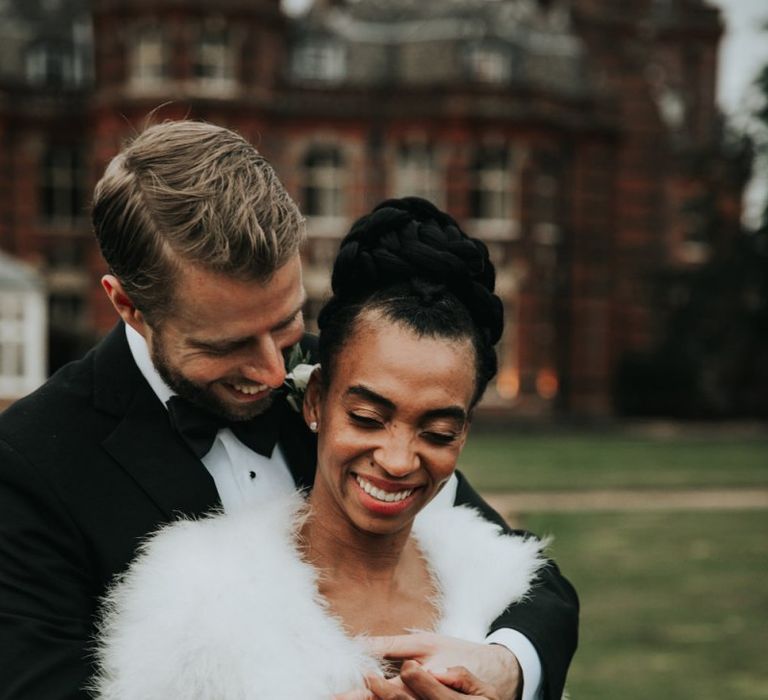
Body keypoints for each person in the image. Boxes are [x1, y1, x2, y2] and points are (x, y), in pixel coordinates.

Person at [0, 121, 577, 700]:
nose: (275, 374)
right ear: (127, 305)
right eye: (224, 345)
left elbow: (523, 575)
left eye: (284, 323)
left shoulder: (349, 387)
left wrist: (508, 666)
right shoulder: (29, 463)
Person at [90, 196, 551, 699]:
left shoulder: (497, 585)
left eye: (438, 433)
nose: (398, 461)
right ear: (314, 401)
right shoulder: (191, 604)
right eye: (367, 418)